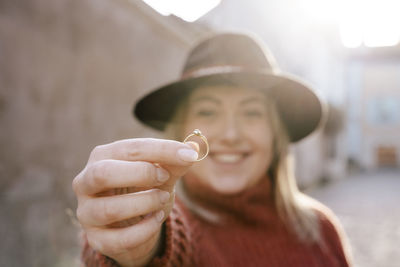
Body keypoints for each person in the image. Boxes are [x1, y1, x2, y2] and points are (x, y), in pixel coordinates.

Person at [72, 32, 352, 267]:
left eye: (251, 112)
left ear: (274, 133)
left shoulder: (321, 229)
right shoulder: (169, 227)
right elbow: (171, 245)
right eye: (207, 111)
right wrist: (134, 245)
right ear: (182, 129)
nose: (230, 134)